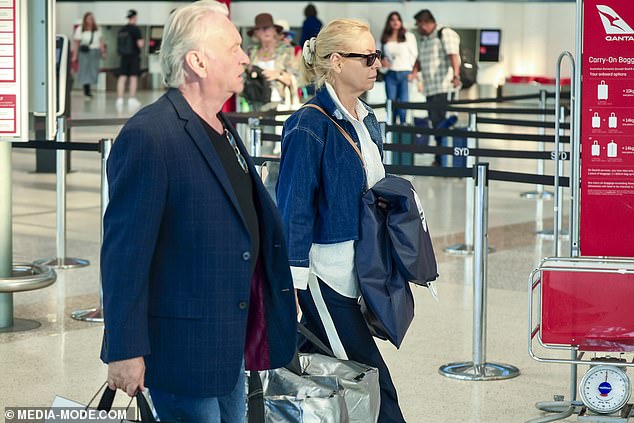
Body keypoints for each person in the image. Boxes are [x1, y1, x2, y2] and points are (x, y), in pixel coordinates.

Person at [100, 2, 297, 422]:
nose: (245, 57)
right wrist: (124, 348)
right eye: (234, 47)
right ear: (198, 61)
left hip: (229, 346)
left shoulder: (223, 128)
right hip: (182, 353)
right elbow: (124, 254)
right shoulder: (150, 136)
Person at [277, 19, 407, 423]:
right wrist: (292, 284)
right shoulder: (309, 124)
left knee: (323, 368)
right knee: (371, 377)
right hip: (325, 277)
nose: (376, 64)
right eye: (367, 57)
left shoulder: (367, 120)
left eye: (377, 56)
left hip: (361, 272)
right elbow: (294, 206)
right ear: (335, 62)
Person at [412, 9, 461, 166]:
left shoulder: (445, 33)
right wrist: (414, 73)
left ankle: (443, 159)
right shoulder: (426, 39)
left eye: (419, 24)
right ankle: (441, 158)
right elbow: (420, 59)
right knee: (436, 124)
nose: (418, 28)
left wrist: (456, 75)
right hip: (430, 89)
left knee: (442, 124)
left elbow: (453, 55)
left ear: (426, 23)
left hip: (443, 87)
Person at [246, 13, 298, 111]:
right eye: (261, 28)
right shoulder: (251, 52)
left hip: (278, 103)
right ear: (256, 33)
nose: (265, 31)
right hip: (255, 101)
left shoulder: (286, 51)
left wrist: (278, 75)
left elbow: (296, 79)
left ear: (274, 30)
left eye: (268, 28)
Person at [379, 12, 418, 124]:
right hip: (390, 73)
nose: (395, 22)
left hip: (405, 73)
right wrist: (383, 63)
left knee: (403, 103)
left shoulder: (408, 36)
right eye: (392, 19)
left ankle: (403, 127)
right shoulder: (384, 39)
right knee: (391, 102)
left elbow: (415, 55)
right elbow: (380, 57)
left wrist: (413, 72)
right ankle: (391, 128)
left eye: (398, 19)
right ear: (389, 22)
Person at [71, 12, 105, 100]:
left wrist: (103, 52)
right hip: (84, 52)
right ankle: (87, 91)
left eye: (91, 18)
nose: (90, 20)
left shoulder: (97, 30)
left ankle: (89, 89)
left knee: (93, 70)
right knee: (84, 71)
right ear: (85, 19)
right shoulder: (80, 29)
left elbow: (101, 42)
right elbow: (77, 43)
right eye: (88, 18)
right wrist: (75, 55)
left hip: (95, 51)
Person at [115, 9, 144, 110]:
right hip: (133, 56)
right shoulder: (135, 29)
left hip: (123, 56)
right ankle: (132, 98)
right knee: (133, 77)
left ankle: (119, 99)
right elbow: (140, 44)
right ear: (135, 17)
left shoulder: (122, 29)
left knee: (122, 77)